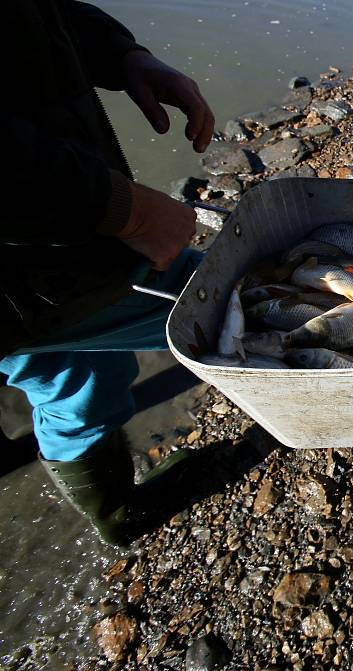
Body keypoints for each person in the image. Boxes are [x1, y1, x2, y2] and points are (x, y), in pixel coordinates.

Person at [0, 1, 215, 545]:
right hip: (21, 266)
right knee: (230, 292)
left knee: (70, 375)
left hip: (53, 245)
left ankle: (112, 510)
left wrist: (125, 56)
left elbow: (40, 17)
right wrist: (129, 212)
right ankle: (118, 513)